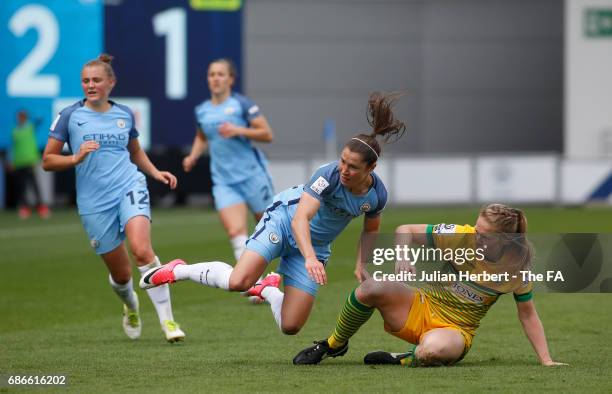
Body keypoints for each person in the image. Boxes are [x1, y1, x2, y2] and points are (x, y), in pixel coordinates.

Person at [141, 92, 406, 335]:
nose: (344, 169)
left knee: (290, 326)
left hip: (316, 246)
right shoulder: (328, 176)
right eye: (343, 160)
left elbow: (370, 231)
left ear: (371, 168)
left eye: (353, 167)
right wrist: (311, 259)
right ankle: (181, 270)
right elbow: (301, 218)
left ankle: (267, 289)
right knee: (239, 282)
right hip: (284, 222)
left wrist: (361, 264)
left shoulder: (377, 196)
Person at [292, 204, 568, 367]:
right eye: (476, 228)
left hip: (456, 330)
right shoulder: (461, 236)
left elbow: (528, 313)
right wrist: (403, 257)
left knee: (432, 350)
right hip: (419, 305)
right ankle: (332, 344)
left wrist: (546, 360)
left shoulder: (516, 267)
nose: (474, 235)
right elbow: (405, 230)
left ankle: (404, 358)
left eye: (483, 234)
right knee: (371, 287)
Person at [42, 54, 185, 342]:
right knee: (121, 276)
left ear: (111, 82)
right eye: (85, 81)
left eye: (96, 80)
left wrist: (156, 173)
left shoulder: (124, 114)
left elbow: (135, 152)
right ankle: (130, 305)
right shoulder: (70, 115)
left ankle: (169, 322)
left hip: (129, 186)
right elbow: (47, 160)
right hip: (94, 203)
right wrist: (75, 158)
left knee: (142, 251)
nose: (90, 85)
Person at [183, 58, 274, 265]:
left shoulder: (242, 104)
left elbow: (267, 134)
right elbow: (202, 136)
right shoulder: (202, 110)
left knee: (269, 226)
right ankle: (252, 283)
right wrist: (193, 156)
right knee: (235, 231)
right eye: (211, 74)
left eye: (220, 74)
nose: (215, 79)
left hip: (252, 175)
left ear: (231, 79)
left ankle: (285, 267)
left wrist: (238, 130)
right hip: (224, 180)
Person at [9, 110, 50, 219]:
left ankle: (41, 207)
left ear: (25, 117)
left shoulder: (30, 127)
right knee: (21, 187)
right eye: (19, 116)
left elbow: (39, 120)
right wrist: (12, 161)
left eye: (22, 116)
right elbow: (13, 148)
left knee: (34, 186)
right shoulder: (15, 131)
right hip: (18, 163)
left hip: (30, 161)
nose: (20, 118)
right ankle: (24, 208)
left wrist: (33, 116)